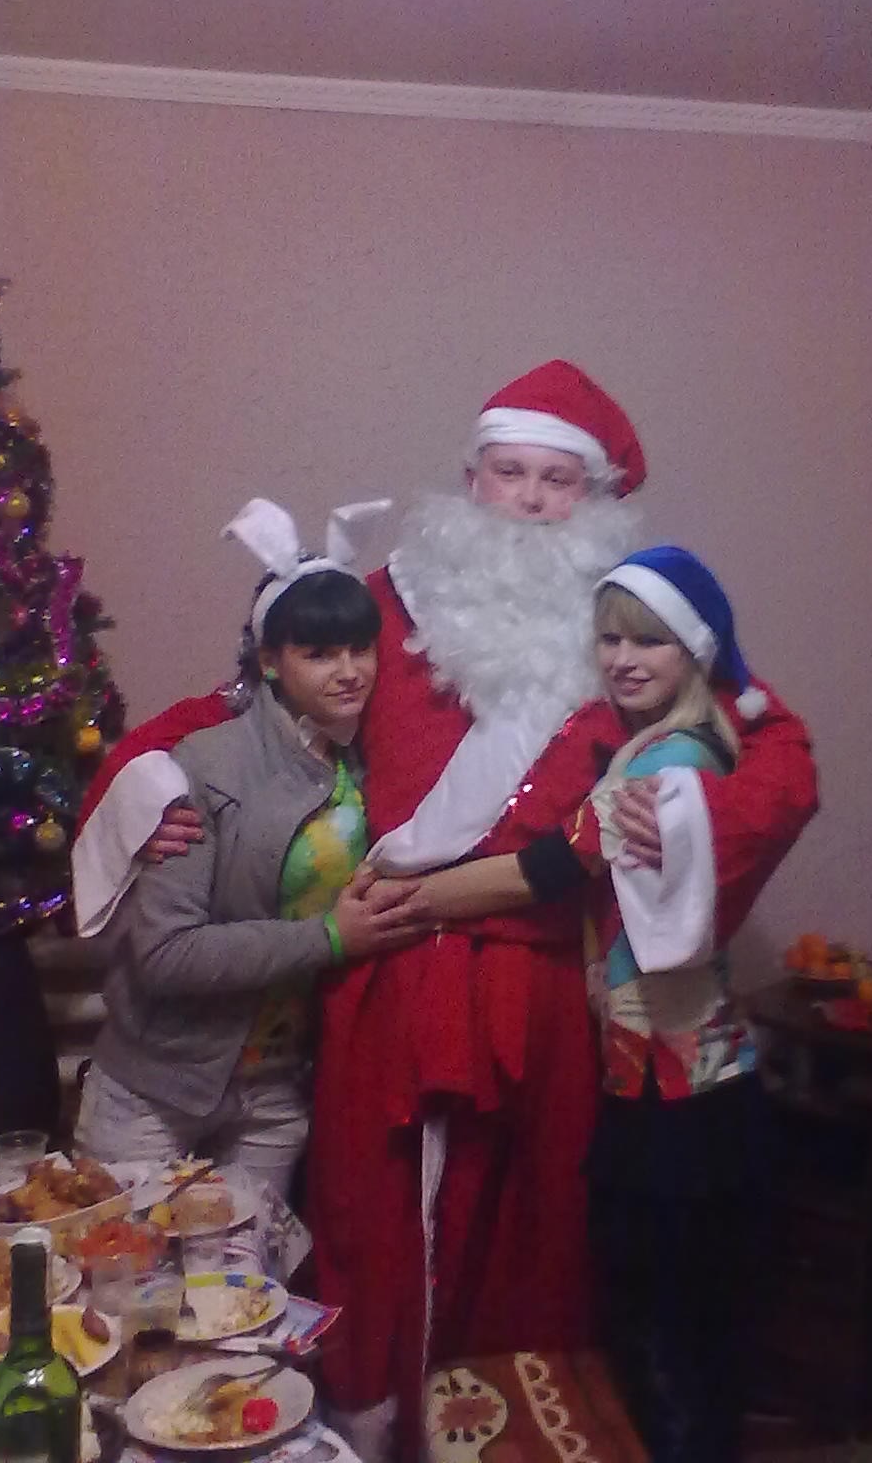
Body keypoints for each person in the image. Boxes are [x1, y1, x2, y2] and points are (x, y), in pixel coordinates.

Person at [72, 361, 818, 1461]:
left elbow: (775, 748)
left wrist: (694, 816)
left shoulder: (633, 627)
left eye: (559, 480)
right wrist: (146, 789)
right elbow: (238, 700)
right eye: (509, 472)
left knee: (530, 1238)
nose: (529, 499)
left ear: (597, 498)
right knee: (371, 1227)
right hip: (385, 979)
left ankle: (510, 1435)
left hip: (547, 993)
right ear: (471, 479)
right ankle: (369, 1432)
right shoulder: (384, 602)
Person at [392, 546, 786, 1461]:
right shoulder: (668, 744)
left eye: (648, 641)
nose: (623, 658)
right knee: (674, 1332)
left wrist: (404, 896)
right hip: (672, 1079)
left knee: (666, 1338)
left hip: (681, 1096)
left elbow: (545, 868)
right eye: (609, 639)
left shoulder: (668, 761)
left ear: (693, 650)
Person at [74, 499, 423, 1195]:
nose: (348, 671)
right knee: (123, 1258)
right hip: (156, 1087)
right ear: (270, 661)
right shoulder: (205, 765)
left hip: (276, 1095)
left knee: (245, 1268)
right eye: (318, 654)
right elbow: (166, 954)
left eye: (360, 649)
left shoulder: (374, 763)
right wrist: (330, 937)